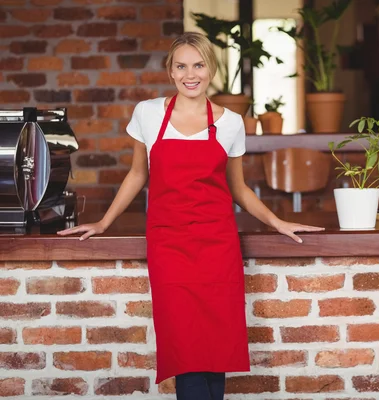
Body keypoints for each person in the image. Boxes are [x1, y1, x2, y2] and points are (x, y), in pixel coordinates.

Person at [57, 31, 324, 400]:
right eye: (181, 66)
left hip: (217, 245)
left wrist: (277, 222)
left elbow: (239, 188)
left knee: (217, 347)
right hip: (169, 245)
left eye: (198, 65)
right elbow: (138, 173)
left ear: (210, 69)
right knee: (184, 348)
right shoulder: (148, 114)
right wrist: (105, 222)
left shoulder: (230, 122)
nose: (190, 74)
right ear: (170, 71)